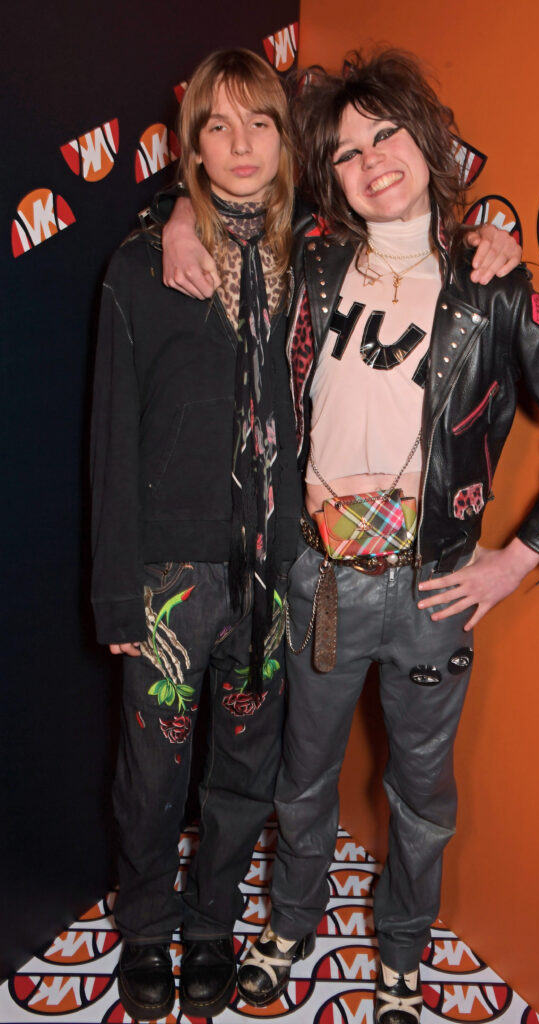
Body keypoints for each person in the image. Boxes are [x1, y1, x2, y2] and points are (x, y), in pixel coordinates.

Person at [227, 50, 539, 1024]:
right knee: (302, 777)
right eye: (347, 151)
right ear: (330, 176)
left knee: (420, 797)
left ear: (428, 139)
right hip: (321, 581)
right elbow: (220, 212)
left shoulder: (493, 286)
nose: (372, 161)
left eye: (387, 135)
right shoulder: (312, 260)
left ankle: (402, 960)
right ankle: (291, 926)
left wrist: (517, 562)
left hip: (432, 594)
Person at [90, 49, 309, 1021]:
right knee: (152, 774)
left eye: (258, 121)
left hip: (272, 568)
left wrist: (490, 245)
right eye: (217, 125)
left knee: (245, 770)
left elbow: (407, 243)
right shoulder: (142, 265)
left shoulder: (318, 262)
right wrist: (114, 591)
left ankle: (212, 921)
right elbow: (111, 435)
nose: (240, 144)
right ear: (192, 148)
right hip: (168, 576)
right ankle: (146, 927)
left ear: (285, 137)